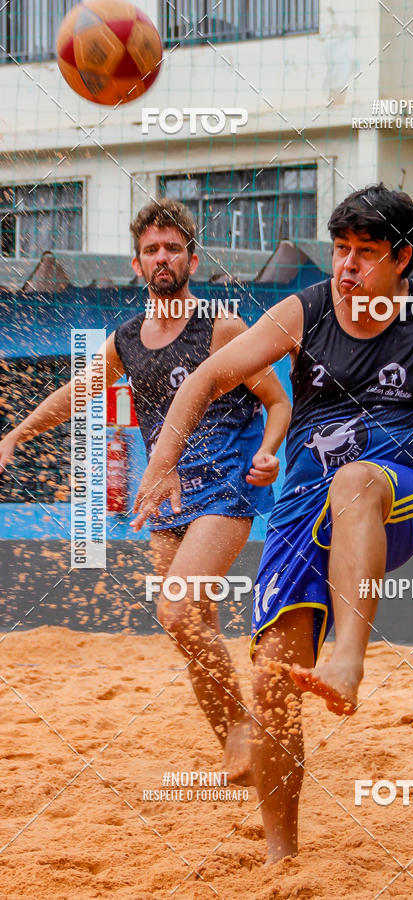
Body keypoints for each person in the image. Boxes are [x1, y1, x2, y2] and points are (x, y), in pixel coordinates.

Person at [131, 184, 413, 862]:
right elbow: (207, 377)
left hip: (395, 498)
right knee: (273, 678)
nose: (347, 268)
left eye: (365, 254)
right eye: (340, 251)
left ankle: (350, 660)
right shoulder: (308, 311)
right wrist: (161, 462)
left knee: (356, 479)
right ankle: (281, 856)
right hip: (302, 513)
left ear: (403, 258)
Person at [0, 199, 291, 783]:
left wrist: (269, 450)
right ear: (137, 265)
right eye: (152, 250)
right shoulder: (128, 339)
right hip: (165, 500)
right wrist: (17, 433)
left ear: (192, 258)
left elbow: (277, 399)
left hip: (225, 493)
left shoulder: (222, 327)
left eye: (173, 248)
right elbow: (78, 393)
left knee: (176, 610)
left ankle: (242, 728)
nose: (162, 258)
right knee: (194, 624)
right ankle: (243, 747)